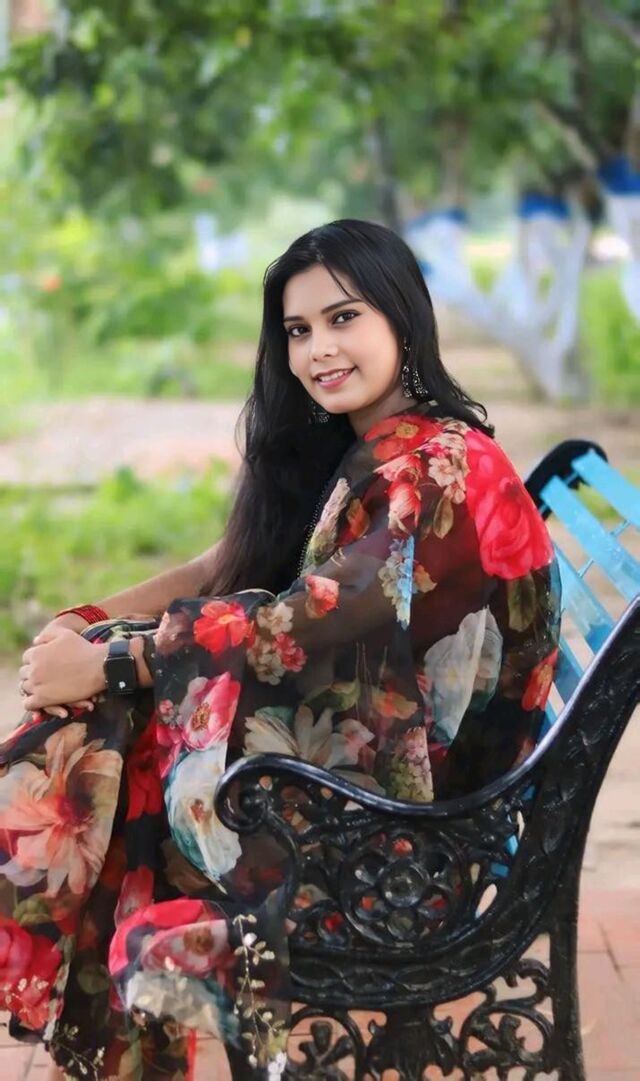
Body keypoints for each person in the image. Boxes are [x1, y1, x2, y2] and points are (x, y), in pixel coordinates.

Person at [1, 219, 561, 1080]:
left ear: (403, 317)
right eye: (299, 330)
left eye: (343, 318)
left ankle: (46, 952)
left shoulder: (437, 468)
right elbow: (226, 564)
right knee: (109, 720)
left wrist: (111, 661)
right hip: (374, 772)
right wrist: (90, 622)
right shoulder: (372, 444)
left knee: (111, 730)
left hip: (415, 831)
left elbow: (305, 622)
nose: (317, 349)